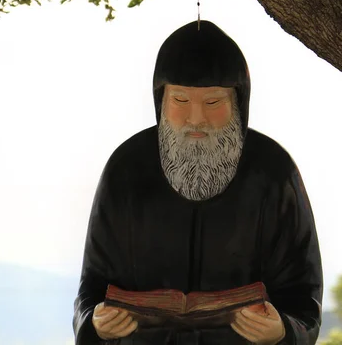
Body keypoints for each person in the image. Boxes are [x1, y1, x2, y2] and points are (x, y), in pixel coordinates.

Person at [73, 20, 323, 344]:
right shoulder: (126, 169)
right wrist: (96, 325)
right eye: (180, 101)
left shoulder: (273, 172)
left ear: (238, 103)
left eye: (212, 103)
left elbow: (305, 295)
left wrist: (284, 330)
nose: (195, 119)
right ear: (160, 101)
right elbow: (91, 289)